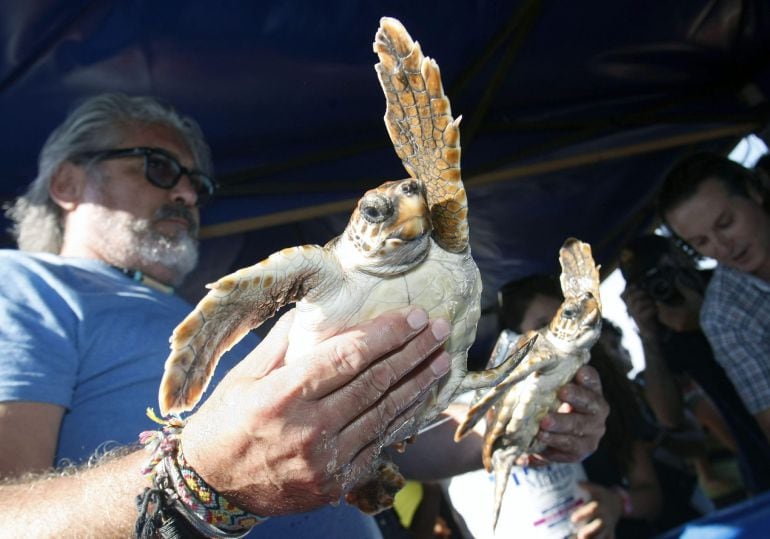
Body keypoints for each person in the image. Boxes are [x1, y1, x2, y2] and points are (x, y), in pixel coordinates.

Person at [0, 93, 609, 537]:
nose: (187, 193)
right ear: (67, 182)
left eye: (198, 186)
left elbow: (380, 442)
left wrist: (516, 425)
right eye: (159, 168)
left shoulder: (190, 313)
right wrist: (197, 478)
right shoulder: (20, 284)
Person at [446, 275, 661, 539]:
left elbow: (652, 496)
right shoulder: (500, 409)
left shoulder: (607, 395)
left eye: (567, 320)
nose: (561, 334)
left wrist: (618, 503)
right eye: (543, 326)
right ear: (518, 342)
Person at [620, 233, 770, 497]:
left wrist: (705, 320)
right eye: (646, 283)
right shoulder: (665, 331)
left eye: (662, 271)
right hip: (756, 460)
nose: (661, 285)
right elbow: (669, 417)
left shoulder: (732, 286)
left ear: (682, 258)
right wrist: (648, 337)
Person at [657, 151, 770, 445]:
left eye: (725, 223)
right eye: (701, 242)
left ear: (754, 192)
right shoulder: (723, 314)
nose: (723, 246)